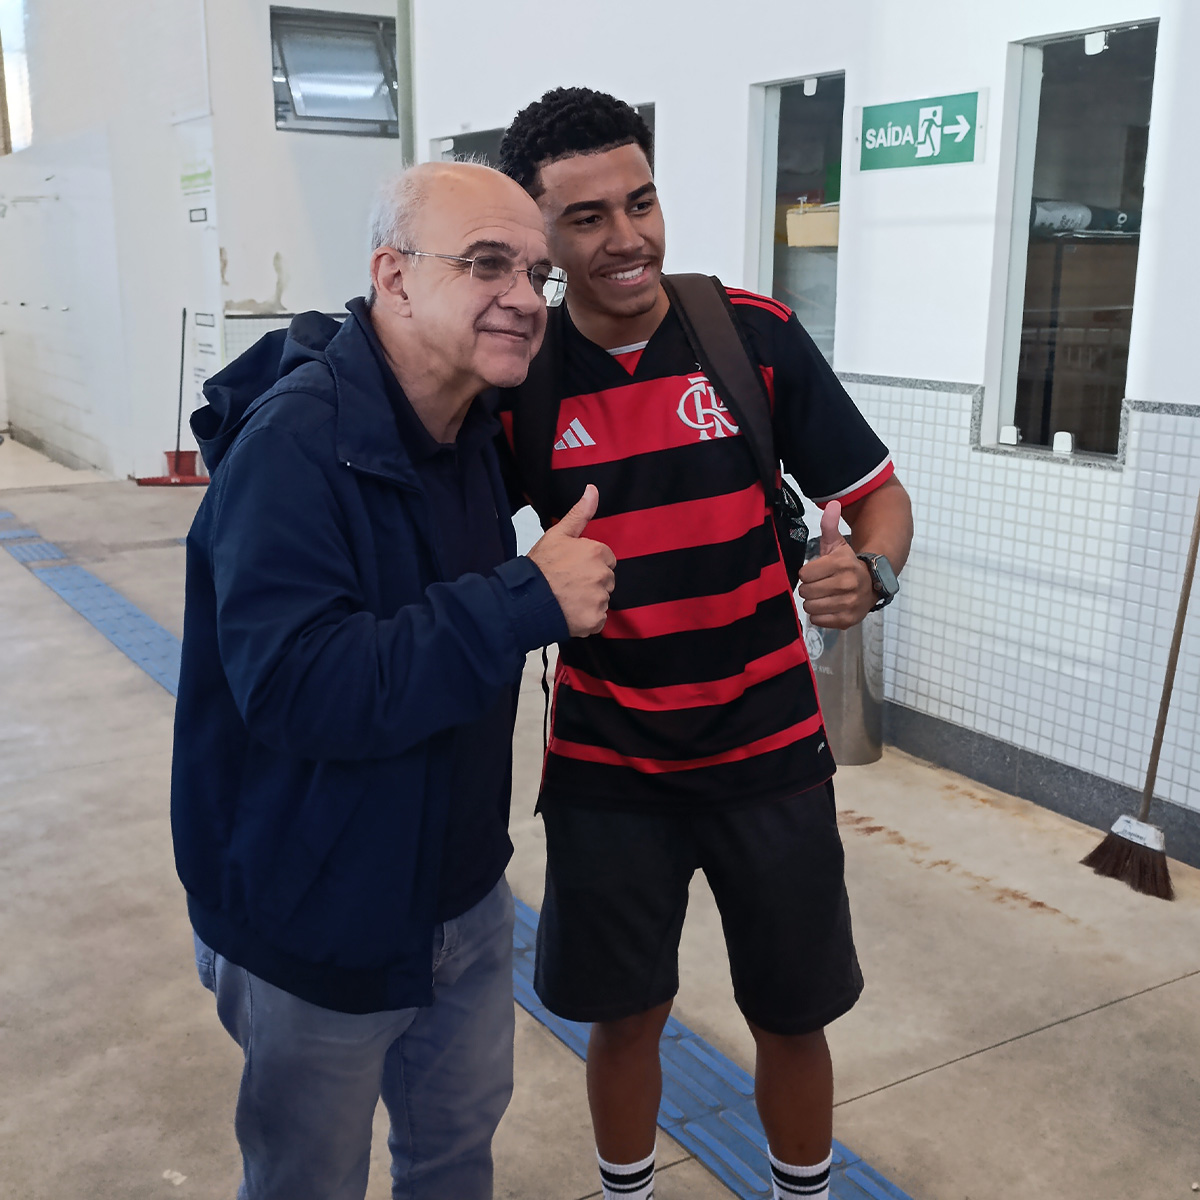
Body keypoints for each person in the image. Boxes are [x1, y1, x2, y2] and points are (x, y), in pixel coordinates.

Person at [495, 89, 914, 1200]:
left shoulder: (752, 339)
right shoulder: (522, 381)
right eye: (586, 219)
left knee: (793, 1011)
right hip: (607, 765)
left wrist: (868, 574)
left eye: (640, 202)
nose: (626, 237)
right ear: (542, 238)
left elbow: (878, 498)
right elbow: (455, 551)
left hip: (769, 752)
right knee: (625, 1015)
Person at [170, 161, 616, 1200]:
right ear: (395, 278)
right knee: (307, 1184)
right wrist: (525, 600)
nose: (522, 295)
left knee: (454, 1162)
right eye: (487, 263)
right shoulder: (295, 447)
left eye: (537, 273)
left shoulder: (468, 427)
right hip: (314, 918)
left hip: (459, 898)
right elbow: (301, 687)